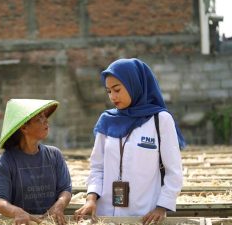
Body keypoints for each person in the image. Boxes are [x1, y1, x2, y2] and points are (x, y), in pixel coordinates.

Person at [74, 58, 184, 225]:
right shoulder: (107, 120)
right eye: (108, 91)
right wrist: (91, 199)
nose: (113, 97)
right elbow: (97, 167)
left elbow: (173, 171)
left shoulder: (160, 119)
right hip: (105, 216)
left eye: (117, 89)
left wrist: (162, 207)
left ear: (134, 84)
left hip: (145, 216)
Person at [0, 99, 72, 225]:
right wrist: (16, 212)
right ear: (24, 127)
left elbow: (65, 188)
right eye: (39, 119)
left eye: (45, 117)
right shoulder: (6, 162)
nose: (46, 121)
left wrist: (59, 204)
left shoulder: (54, 155)